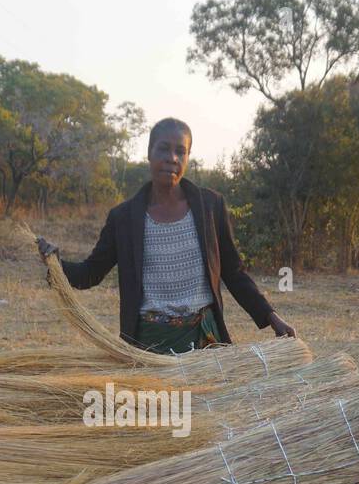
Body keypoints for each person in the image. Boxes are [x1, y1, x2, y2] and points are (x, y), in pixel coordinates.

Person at [37, 117, 295, 354]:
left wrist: (271, 317)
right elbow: (91, 273)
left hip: (206, 341)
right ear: (149, 153)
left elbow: (234, 273)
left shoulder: (210, 207)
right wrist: (55, 263)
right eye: (163, 149)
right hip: (150, 345)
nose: (171, 157)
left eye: (180, 151)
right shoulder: (124, 218)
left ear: (188, 157)